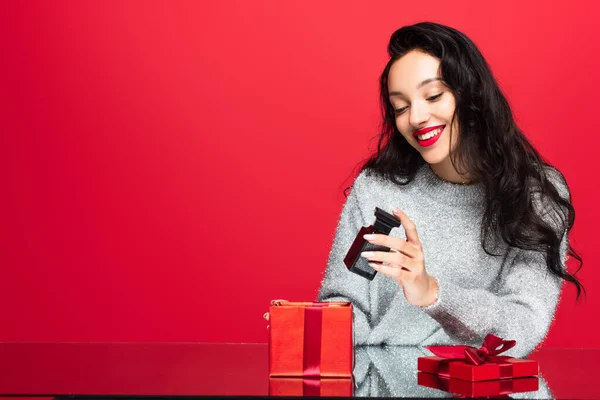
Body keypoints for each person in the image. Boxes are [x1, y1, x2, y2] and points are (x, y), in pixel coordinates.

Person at [317, 22, 583, 357]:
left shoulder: (535, 196)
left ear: (471, 94)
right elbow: (342, 305)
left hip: (479, 389)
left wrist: (431, 292)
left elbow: (524, 326)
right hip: (377, 383)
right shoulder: (377, 189)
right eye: (400, 107)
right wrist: (309, 327)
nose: (415, 117)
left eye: (433, 96)